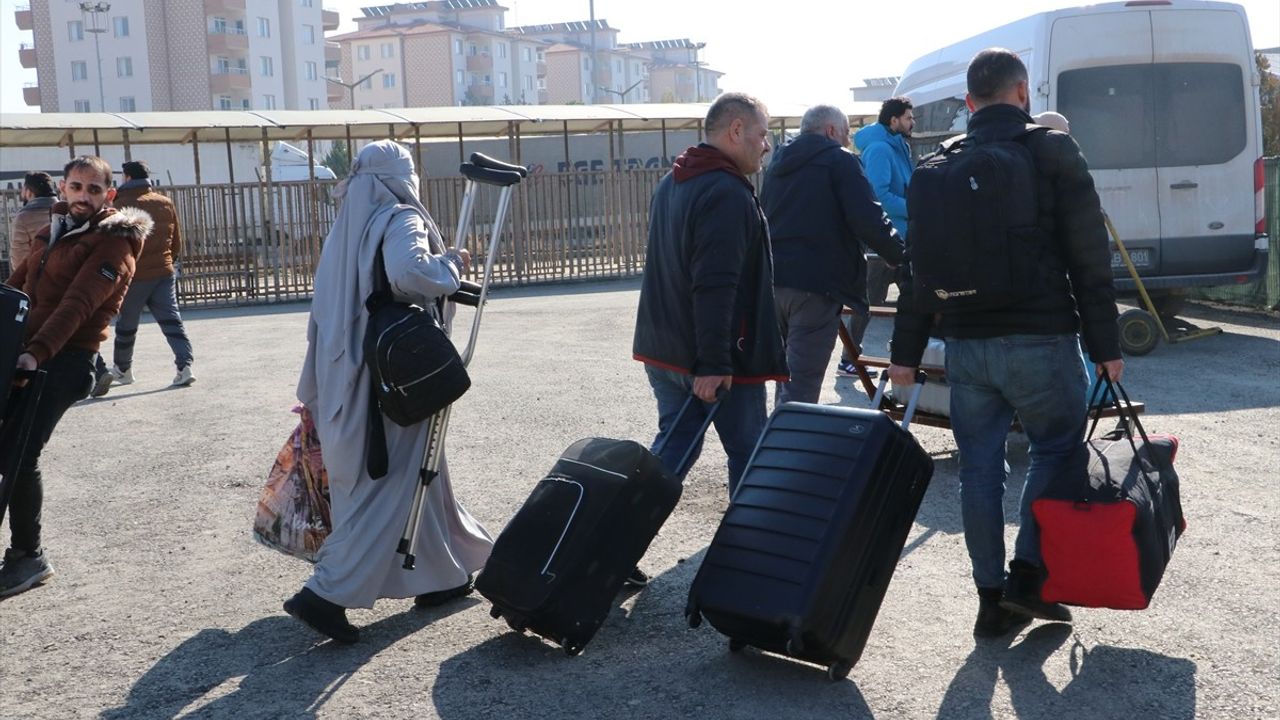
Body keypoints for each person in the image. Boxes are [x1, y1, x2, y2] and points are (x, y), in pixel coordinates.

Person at [887, 49, 1124, 638]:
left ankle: (990, 598)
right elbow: (1089, 256)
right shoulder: (1051, 151)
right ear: (1023, 94)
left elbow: (917, 271)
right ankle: (1027, 577)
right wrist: (1105, 344)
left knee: (980, 470)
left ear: (968, 103)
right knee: (1054, 452)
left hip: (966, 346)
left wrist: (905, 355)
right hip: (1041, 338)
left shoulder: (937, 165)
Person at [283, 140, 492, 644]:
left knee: (420, 473)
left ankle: (444, 573)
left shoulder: (347, 228)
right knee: (388, 487)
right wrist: (452, 267)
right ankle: (325, 595)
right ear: (402, 178)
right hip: (389, 380)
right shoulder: (400, 218)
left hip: (345, 378)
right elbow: (410, 273)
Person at [1, 156, 149, 598]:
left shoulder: (114, 246)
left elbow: (78, 305)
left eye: (94, 189)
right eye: (77, 187)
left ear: (110, 195)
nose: (84, 196)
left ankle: (28, 557)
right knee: (7, 450)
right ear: (63, 188)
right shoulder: (52, 232)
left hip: (67, 359)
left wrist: (35, 355)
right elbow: (14, 290)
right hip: (28, 352)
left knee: (20, 455)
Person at [633, 91, 786, 505]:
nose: (766, 145)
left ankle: (609, 550)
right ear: (737, 131)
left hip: (665, 350)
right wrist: (715, 362)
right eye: (762, 133)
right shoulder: (726, 192)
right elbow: (715, 284)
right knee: (750, 452)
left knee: (673, 451)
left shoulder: (673, 181)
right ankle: (748, 552)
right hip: (714, 358)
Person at [760, 104, 903, 405]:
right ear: (830, 131)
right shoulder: (838, 160)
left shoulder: (778, 163)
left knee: (785, 377)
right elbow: (868, 217)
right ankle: (789, 448)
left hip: (774, 281)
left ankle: (778, 439)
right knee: (801, 384)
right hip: (817, 284)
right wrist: (898, 254)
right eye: (846, 133)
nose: (848, 140)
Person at [91, 160, 196, 397]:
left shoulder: (119, 205)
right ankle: (185, 366)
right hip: (164, 272)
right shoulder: (165, 202)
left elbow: (113, 245)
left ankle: (123, 369)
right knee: (172, 320)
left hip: (135, 275)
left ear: (127, 177)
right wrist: (168, 260)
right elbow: (177, 240)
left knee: (127, 324)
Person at [837, 96, 915, 376]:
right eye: (908, 117)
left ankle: (915, 358)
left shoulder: (898, 146)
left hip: (901, 237)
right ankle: (849, 359)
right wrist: (916, 208)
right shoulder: (881, 149)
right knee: (869, 302)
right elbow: (879, 196)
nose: (912, 122)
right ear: (893, 120)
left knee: (915, 298)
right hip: (884, 239)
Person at [6, 172, 58, 279]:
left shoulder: (23, 218)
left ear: (29, 192)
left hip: (38, 282)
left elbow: (19, 259)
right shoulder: (67, 212)